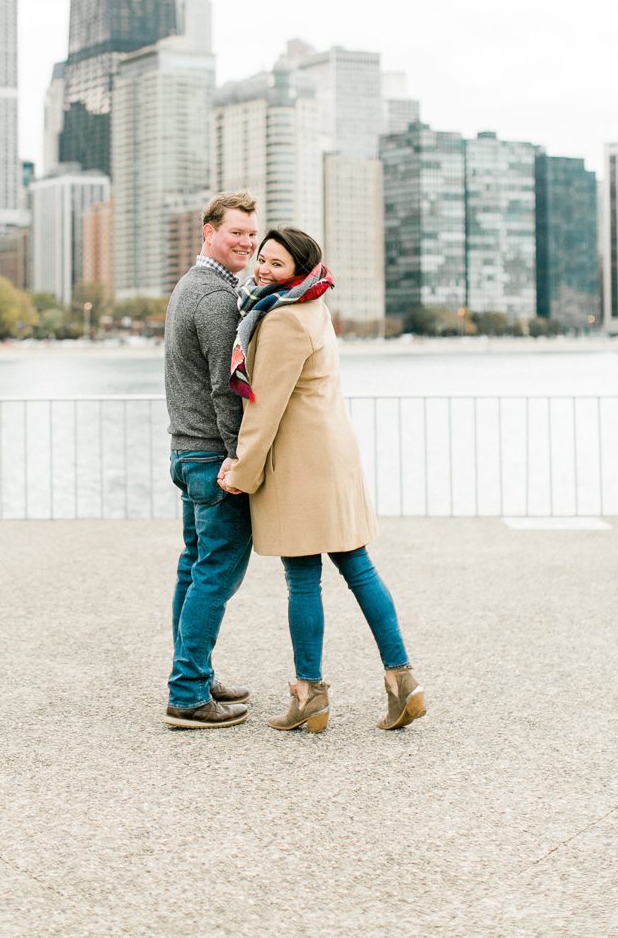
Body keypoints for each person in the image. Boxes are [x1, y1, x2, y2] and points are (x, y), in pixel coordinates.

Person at [220, 225, 426, 734]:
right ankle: (404, 684)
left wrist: (241, 472)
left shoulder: (284, 318)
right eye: (261, 259)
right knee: (358, 567)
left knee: (303, 579)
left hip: (301, 463)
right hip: (331, 454)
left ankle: (309, 695)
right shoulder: (313, 305)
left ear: (298, 270)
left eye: (276, 264)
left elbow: (264, 405)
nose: (263, 269)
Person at [163, 191, 259, 729]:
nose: (246, 242)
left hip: (185, 450)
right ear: (208, 231)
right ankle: (187, 694)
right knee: (215, 574)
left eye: (251, 233)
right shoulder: (218, 299)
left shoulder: (190, 286)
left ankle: (194, 672)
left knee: (194, 568)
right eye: (236, 233)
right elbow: (229, 388)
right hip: (210, 457)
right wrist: (237, 459)